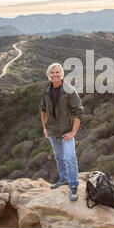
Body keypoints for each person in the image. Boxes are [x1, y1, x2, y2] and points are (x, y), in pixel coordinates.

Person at [39, 63, 84, 201]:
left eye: (57, 72)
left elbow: (79, 111)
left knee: (70, 157)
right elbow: (42, 109)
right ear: (48, 75)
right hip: (53, 131)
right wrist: (45, 128)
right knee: (59, 157)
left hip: (66, 131)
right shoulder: (47, 90)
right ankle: (63, 179)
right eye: (52, 73)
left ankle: (73, 186)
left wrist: (73, 132)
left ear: (61, 74)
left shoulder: (69, 90)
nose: (55, 75)